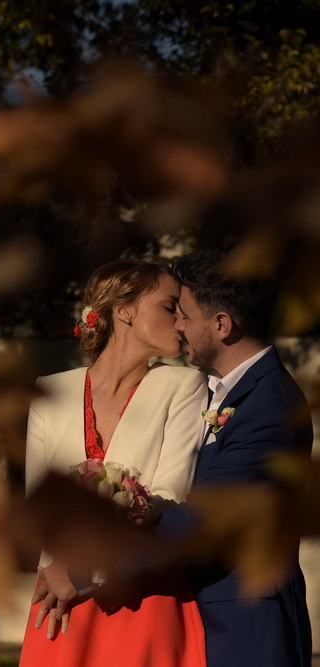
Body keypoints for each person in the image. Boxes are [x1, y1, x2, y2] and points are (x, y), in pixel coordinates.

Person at [20, 258, 208, 666]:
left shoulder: (185, 385)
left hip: (143, 592)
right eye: (169, 306)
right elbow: (39, 502)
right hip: (60, 596)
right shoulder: (49, 391)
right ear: (123, 310)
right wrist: (58, 572)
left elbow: (169, 494)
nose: (181, 320)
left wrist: (86, 572)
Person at [154, 248, 312, 666]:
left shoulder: (270, 408)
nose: (178, 326)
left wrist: (93, 562)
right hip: (204, 621)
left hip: (247, 629)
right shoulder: (214, 393)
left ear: (222, 325)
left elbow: (202, 519)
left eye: (185, 314)